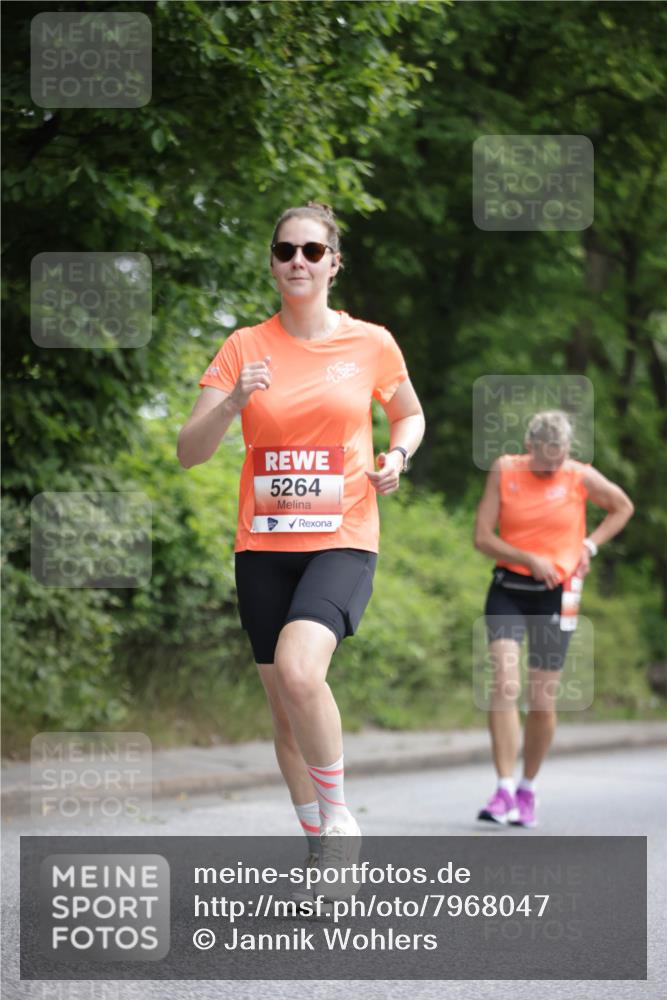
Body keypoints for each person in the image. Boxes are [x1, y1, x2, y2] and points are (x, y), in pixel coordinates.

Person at [177, 201, 425, 879]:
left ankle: (339, 816)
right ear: (271, 261)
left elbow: (406, 412)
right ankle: (320, 849)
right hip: (262, 546)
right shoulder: (241, 347)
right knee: (284, 714)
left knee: (299, 671)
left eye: (312, 251)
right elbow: (187, 453)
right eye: (285, 250)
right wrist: (231, 404)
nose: (297, 261)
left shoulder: (369, 342)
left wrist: (396, 458)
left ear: (333, 263)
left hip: (343, 535)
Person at [473, 410, 634, 827]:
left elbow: (622, 507)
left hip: (556, 595)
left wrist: (590, 547)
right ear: (529, 449)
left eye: (559, 460)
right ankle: (503, 788)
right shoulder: (505, 470)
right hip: (509, 588)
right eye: (545, 461)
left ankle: (528, 788)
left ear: (567, 452)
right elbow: (482, 537)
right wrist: (527, 557)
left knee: (542, 701)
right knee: (505, 684)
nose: (552, 468)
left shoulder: (579, 476)